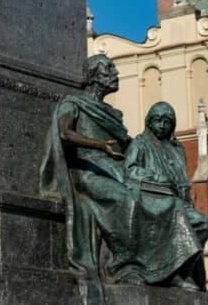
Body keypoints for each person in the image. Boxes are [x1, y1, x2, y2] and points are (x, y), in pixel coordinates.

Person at [40, 54, 142, 299]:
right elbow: (64, 132)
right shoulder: (73, 103)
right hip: (87, 171)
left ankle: (158, 269)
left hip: (114, 168)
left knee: (156, 199)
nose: (115, 73)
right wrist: (99, 145)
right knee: (126, 200)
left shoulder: (111, 112)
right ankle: (122, 266)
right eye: (109, 68)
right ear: (94, 76)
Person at [123, 101, 208, 291]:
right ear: (149, 122)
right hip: (153, 200)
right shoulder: (140, 143)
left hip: (180, 202)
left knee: (204, 224)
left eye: (167, 122)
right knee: (180, 213)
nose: (162, 126)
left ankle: (181, 271)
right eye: (157, 121)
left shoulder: (177, 149)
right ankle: (174, 275)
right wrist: (155, 177)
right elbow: (129, 170)